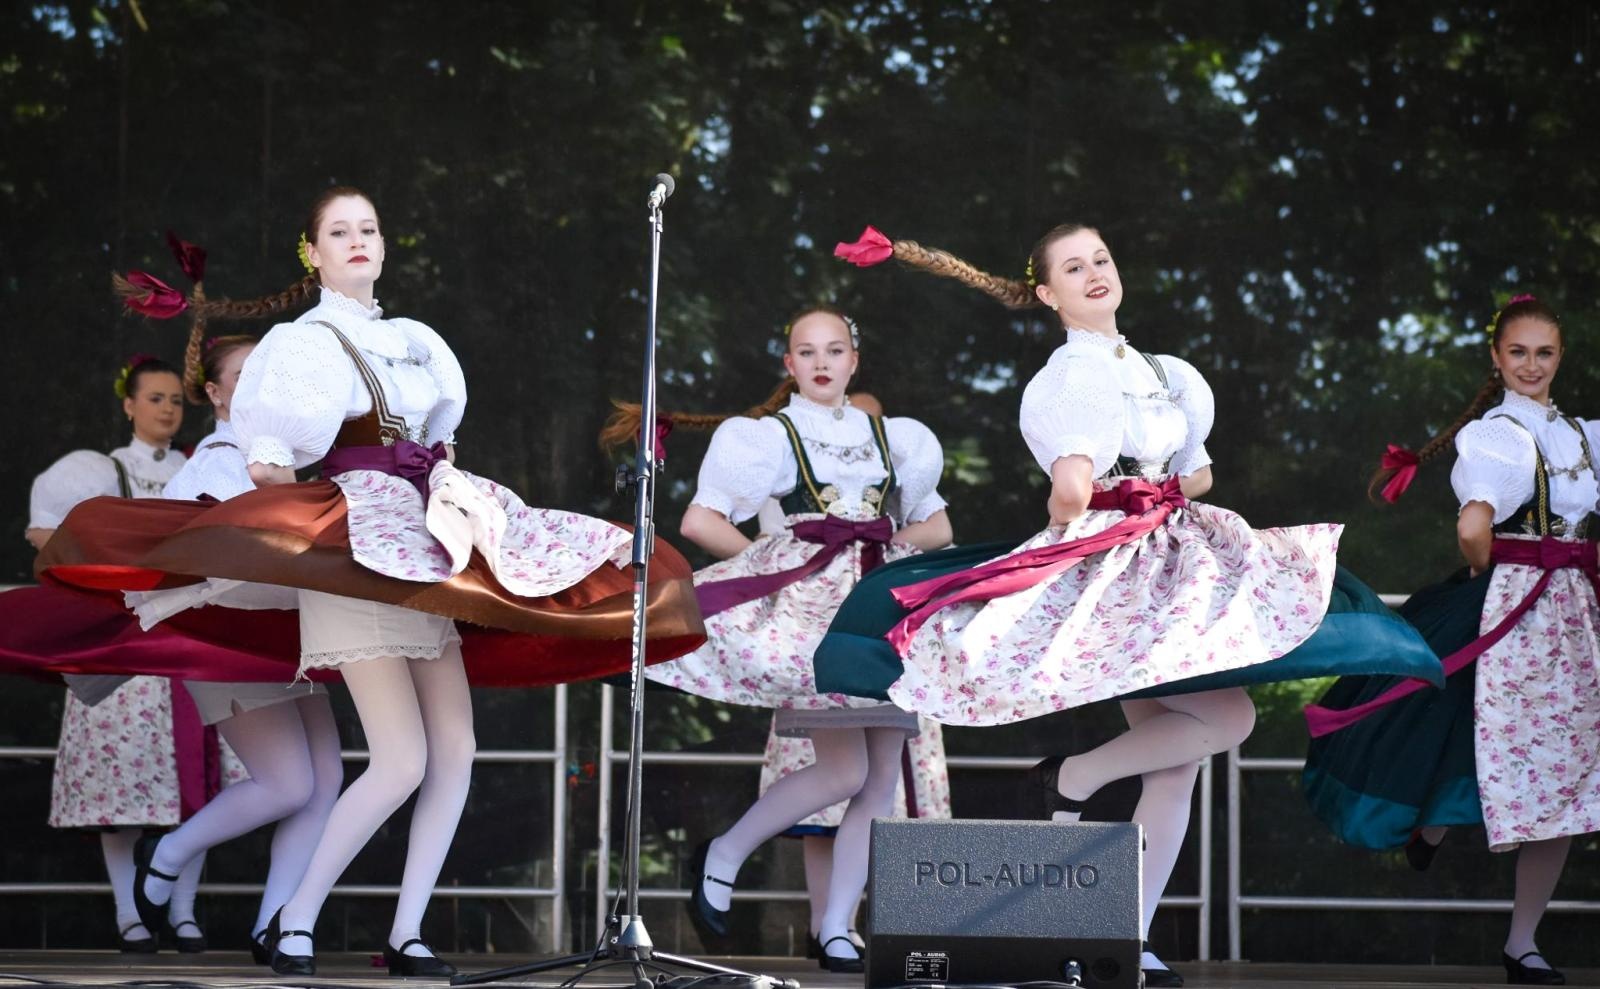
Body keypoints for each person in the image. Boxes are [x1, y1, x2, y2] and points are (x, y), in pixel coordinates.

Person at [38, 186, 704, 977]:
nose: (357, 241)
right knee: (400, 759)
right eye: (338, 231)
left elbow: (438, 442)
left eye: (369, 230)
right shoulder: (302, 341)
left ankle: (406, 930)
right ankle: (295, 920)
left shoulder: (417, 342)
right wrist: (287, 522)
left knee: (455, 747)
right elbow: (268, 459)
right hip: (354, 545)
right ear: (312, 253)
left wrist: (456, 500)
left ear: (384, 247)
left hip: (421, 541)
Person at [817, 223, 1437, 987]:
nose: (1095, 273)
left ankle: (1126, 933)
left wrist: (1152, 484)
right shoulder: (1069, 377)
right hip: (1125, 563)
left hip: (1168, 548)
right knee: (1228, 718)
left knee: (1178, 764)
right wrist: (1106, 498)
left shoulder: (1168, 372)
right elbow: (1072, 489)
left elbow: (1196, 473)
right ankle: (1073, 779)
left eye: (1101, 260)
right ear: (1047, 292)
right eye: (1074, 267)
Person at [600, 308, 952, 972]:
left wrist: (885, 540)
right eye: (806, 351)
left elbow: (936, 526)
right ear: (788, 365)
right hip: (816, 608)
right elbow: (701, 519)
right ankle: (727, 851)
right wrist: (775, 560)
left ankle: (837, 927)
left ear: (855, 359)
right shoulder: (774, 435)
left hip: (878, 602)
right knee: (847, 770)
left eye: (835, 349)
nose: (822, 361)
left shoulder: (895, 438)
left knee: (878, 779)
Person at [1304, 295, 1596, 985]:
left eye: (1543, 353)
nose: (1531, 364)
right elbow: (1473, 529)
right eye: (1518, 352)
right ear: (1497, 359)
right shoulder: (1501, 434)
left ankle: (1522, 940)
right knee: (1490, 734)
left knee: (1554, 768)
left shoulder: (1581, 434)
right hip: (1521, 606)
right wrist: (1508, 568)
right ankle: (1440, 837)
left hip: (1573, 615)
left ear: (1560, 359)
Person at [126, 329, 344, 967]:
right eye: (247, 376)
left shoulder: (282, 460)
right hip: (226, 637)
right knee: (288, 784)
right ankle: (165, 854)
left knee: (325, 781)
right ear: (216, 395)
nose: (264, 387)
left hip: (284, 638)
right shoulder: (217, 461)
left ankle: (274, 925)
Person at [28, 355, 216, 953]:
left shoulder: (201, 466)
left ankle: (182, 911)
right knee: (122, 785)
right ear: (129, 405)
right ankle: (129, 915)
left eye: (175, 400)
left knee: (200, 781)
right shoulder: (97, 470)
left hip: (192, 640)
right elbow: (43, 533)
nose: (166, 409)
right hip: (124, 643)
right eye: (155, 398)